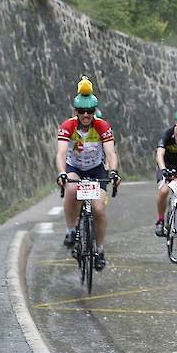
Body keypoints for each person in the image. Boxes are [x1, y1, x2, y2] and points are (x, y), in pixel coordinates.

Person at [55, 79, 120, 270]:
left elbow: (110, 153)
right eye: (81, 111)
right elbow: (60, 153)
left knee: (98, 209)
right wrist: (61, 172)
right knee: (72, 189)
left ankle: (99, 249)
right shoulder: (68, 126)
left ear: (94, 111)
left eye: (90, 111)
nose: (86, 115)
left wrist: (113, 171)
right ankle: (71, 230)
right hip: (74, 168)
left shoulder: (102, 126)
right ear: (76, 112)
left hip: (96, 169)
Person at [154, 108, 177, 236]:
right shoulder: (167, 134)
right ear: (176, 123)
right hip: (166, 167)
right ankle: (160, 220)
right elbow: (159, 154)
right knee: (163, 191)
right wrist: (163, 169)